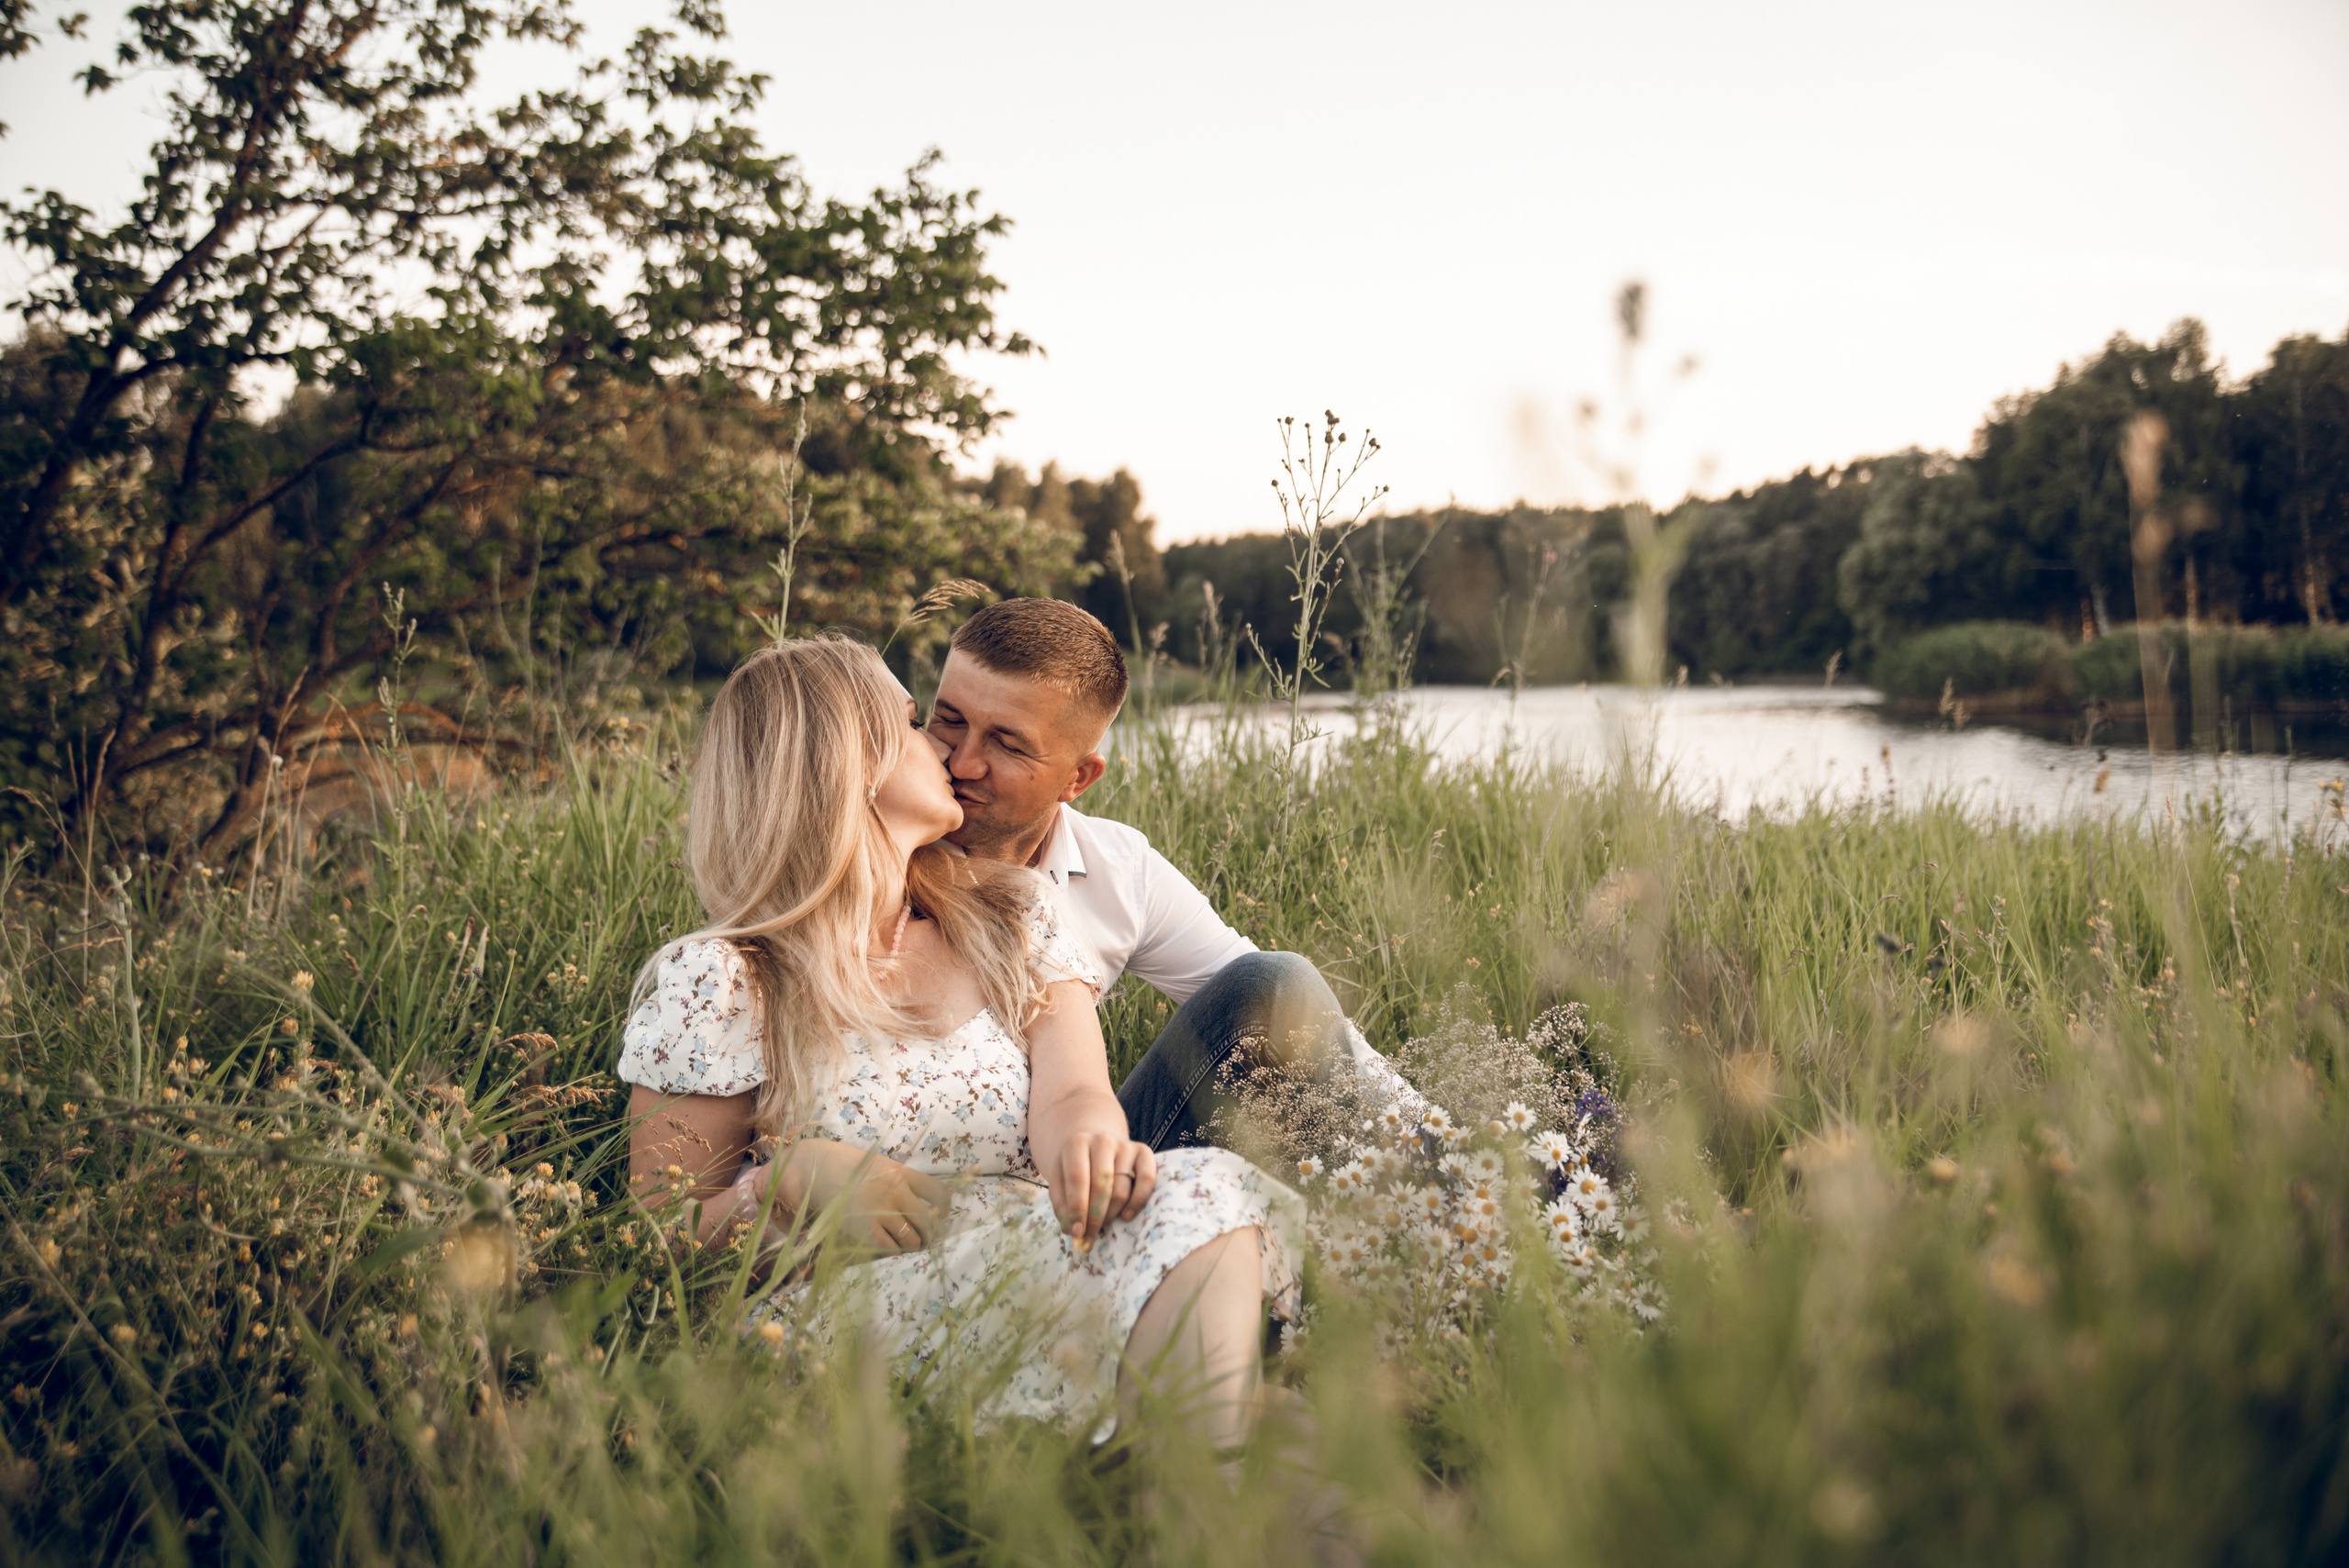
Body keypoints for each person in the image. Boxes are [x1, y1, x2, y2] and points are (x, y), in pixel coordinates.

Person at [617, 636, 1301, 1444]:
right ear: (852, 766)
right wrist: (783, 1185)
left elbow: (1074, 1090)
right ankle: (1192, 1461)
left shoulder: (1011, 914)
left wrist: (1089, 1145)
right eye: (915, 724)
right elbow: (658, 1238)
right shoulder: (724, 977)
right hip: (845, 1310)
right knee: (1255, 1396)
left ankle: (1187, 1471)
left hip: (1028, 1249)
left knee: (1201, 1197)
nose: (945, 751)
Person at [926, 597, 1414, 1149]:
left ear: (1078, 779)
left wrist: (1433, 1136)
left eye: (1009, 744)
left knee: (1274, 985)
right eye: (949, 720)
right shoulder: (872, 841)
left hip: (1076, 1161)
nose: (962, 762)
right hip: (893, 1169)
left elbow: (1285, 1008)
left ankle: (1433, 1181)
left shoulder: (1118, 870)